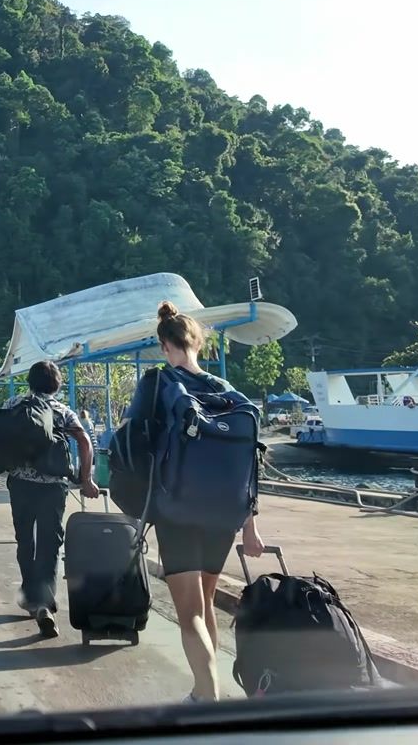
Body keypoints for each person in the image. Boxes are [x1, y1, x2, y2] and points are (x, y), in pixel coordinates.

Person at [129, 301, 267, 703]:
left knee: (189, 612)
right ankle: (205, 689)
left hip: (178, 509)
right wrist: (250, 525)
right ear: (198, 344)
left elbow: (132, 439)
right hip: (224, 515)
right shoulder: (228, 392)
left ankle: (207, 697)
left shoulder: (157, 382)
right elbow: (249, 463)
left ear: (164, 345)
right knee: (205, 602)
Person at [0, 359, 100, 637]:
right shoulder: (61, 411)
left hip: (21, 485)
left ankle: (31, 595)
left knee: (25, 540)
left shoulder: (14, 404)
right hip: (53, 487)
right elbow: (85, 442)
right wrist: (86, 479)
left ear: (30, 382)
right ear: (57, 384)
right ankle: (44, 601)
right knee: (50, 542)